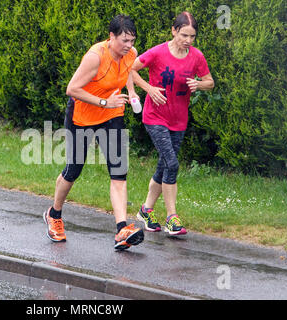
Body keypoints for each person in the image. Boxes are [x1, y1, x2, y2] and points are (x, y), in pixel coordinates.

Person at [43, 15, 144, 251]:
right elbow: (72, 88)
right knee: (73, 169)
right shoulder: (95, 56)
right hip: (83, 116)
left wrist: (130, 91)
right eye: (124, 40)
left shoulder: (130, 53)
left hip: (112, 115)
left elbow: (128, 70)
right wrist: (103, 102)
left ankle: (121, 229)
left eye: (132, 40)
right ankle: (54, 214)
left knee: (119, 171)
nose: (129, 45)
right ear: (111, 36)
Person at [130, 11, 214, 235]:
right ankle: (172, 218)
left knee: (164, 164)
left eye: (192, 36)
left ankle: (146, 210)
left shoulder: (196, 56)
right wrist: (148, 88)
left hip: (179, 119)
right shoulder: (157, 52)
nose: (188, 40)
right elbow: (130, 69)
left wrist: (199, 84)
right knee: (173, 164)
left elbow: (210, 82)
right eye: (184, 35)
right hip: (155, 117)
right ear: (174, 31)